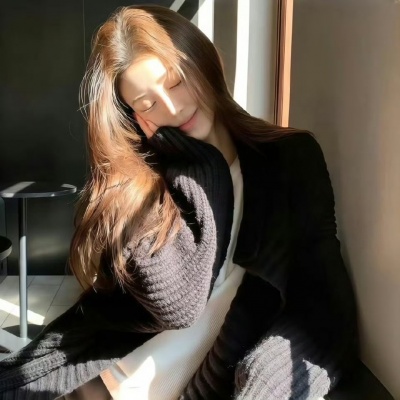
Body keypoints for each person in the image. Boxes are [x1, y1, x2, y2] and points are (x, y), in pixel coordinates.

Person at [0, 5, 358, 400]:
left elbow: (322, 300)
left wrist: (265, 380)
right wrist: (200, 163)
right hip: (97, 385)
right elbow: (178, 304)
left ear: (205, 62)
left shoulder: (291, 158)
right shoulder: (138, 183)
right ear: (134, 117)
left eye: (175, 82)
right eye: (147, 103)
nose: (172, 108)